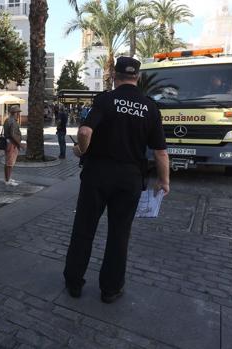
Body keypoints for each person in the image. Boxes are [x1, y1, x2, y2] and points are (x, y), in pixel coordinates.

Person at [63, 57, 170, 304]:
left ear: (114, 75)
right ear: (138, 77)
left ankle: (74, 282)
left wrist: (81, 151)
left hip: (97, 175)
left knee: (84, 229)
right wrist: (164, 181)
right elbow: (161, 152)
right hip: (129, 179)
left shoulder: (105, 99)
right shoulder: (149, 107)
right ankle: (110, 289)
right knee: (119, 234)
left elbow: (84, 131)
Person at [3, 105, 25, 186]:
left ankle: (7, 179)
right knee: (10, 163)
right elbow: (13, 135)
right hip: (12, 144)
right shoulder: (12, 121)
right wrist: (20, 144)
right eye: (18, 112)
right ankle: (7, 180)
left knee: (8, 163)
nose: (19, 114)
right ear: (14, 113)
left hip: (9, 143)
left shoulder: (8, 120)